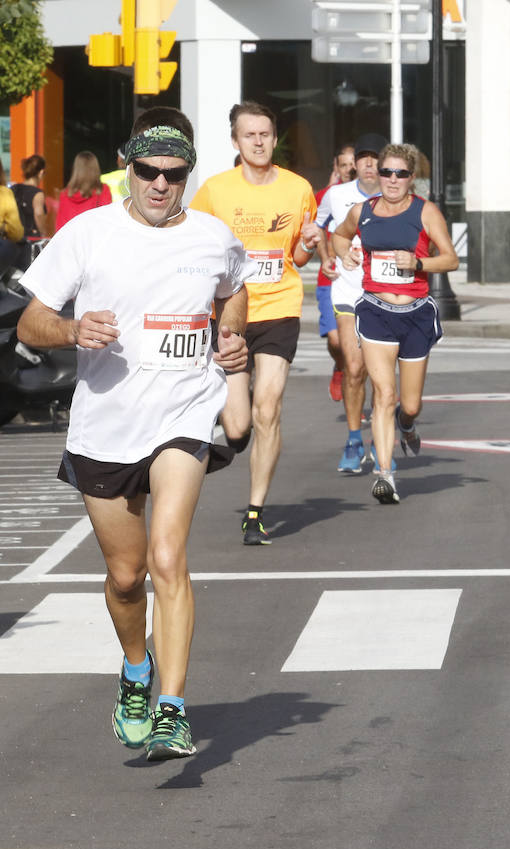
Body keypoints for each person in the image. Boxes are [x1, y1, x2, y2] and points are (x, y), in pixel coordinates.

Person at [15, 108, 253, 760]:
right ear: (128, 167)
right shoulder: (87, 233)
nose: (158, 185)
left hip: (183, 415)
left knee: (168, 557)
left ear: (186, 176)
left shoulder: (211, 236)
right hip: (105, 427)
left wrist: (230, 338)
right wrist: (70, 331)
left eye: (173, 175)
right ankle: (136, 667)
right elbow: (29, 322)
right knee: (126, 576)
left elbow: (235, 291)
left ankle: (173, 708)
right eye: (147, 171)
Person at [189, 101, 320, 546]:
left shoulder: (298, 188)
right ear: (236, 141)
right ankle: (233, 431)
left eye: (265, 134)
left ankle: (255, 510)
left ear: (275, 137)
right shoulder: (214, 191)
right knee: (239, 426)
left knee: (269, 407)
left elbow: (297, 257)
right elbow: (195, 247)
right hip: (229, 311)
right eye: (250, 135)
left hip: (280, 306)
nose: (259, 142)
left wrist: (308, 244)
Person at [330, 143, 458, 505]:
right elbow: (339, 235)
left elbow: (450, 260)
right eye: (387, 172)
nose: (392, 180)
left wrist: (417, 264)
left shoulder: (425, 211)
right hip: (375, 311)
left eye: (401, 173)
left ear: (411, 178)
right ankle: (384, 473)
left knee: (410, 404)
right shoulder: (362, 211)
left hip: (415, 313)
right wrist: (346, 254)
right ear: (377, 174)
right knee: (384, 395)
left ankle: (407, 424)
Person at [318, 134, 386, 473]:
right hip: (347, 293)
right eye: (364, 157)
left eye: (376, 158)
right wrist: (327, 259)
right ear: (354, 163)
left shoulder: (399, 198)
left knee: (382, 376)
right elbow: (317, 230)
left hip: (387, 296)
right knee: (355, 368)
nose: (369, 164)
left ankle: (384, 441)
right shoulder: (336, 196)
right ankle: (354, 439)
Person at [315, 142, 357, 405]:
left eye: (353, 164)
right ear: (336, 168)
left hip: (358, 280)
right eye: (344, 165)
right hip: (330, 278)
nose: (349, 170)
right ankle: (339, 367)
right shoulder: (326, 196)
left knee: (359, 347)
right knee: (336, 340)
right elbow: (315, 228)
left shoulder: (369, 196)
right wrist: (324, 257)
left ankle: (357, 387)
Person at [55, 151, 112, 230]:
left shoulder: (65, 194)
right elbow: (106, 220)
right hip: (93, 238)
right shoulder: (102, 190)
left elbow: (60, 226)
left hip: (71, 239)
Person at [12, 154, 49, 238]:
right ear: (41, 172)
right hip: (30, 239)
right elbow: (39, 214)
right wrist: (43, 233)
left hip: (14, 237)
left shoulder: (14, 189)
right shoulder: (37, 194)